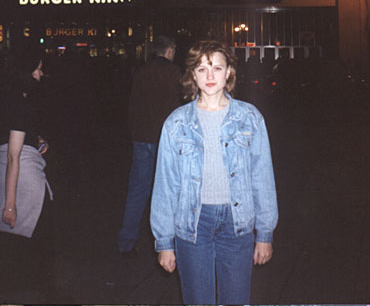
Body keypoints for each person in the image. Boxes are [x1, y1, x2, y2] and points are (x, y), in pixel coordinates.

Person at [150, 40, 278, 304]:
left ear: (229, 72)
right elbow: (166, 185)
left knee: (236, 299)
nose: (210, 76)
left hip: (237, 223)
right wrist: (164, 242)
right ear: (192, 75)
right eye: (202, 69)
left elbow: (262, 177)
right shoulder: (176, 123)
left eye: (217, 68)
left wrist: (265, 233)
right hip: (193, 224)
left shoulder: (249, 118)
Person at [0, 47, 54, 302]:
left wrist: (34, 139)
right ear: (26, 72)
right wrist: (10, 204)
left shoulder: (4, 96)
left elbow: (2, 141)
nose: (41, 72)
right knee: (37, 235)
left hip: (1, 172)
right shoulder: (22, 102)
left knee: (8, 240)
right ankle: (36, 290)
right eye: (38, 68)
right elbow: (13, 156)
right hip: (22, 177)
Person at [117, 35, 182, 256]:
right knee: (171, 190)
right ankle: (171, 241)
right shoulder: (174, 73)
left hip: (141, 137)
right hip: (164, 139)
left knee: (137, 190)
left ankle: (126, 241)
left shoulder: (141, 71)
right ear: (170, 50)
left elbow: (132, 105)